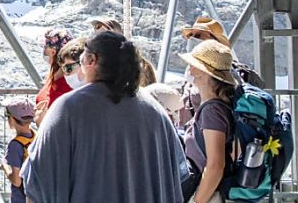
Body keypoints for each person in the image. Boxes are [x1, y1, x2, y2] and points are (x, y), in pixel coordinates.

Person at [22, 31, 186, 203]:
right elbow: (176, 178)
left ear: (91, 60)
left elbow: (38, 183)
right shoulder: (155, 112)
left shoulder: (68, 109)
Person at [179, 41, 237, 203]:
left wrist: (198, 200)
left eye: (193, 63)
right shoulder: (219, 106)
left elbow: (215, 166)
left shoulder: (212, 112)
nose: (189, 68)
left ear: (203, 72)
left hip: (208, 193)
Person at [0, 96, 36, 203]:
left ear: (11, 119)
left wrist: (5, 166)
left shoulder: (15, 145)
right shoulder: (37, 136)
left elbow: (16, 181)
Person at [34, 28, 73, 124]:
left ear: (53, 52)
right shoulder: (53, 77)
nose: (43, 50)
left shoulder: (68, 84)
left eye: (45, 46)